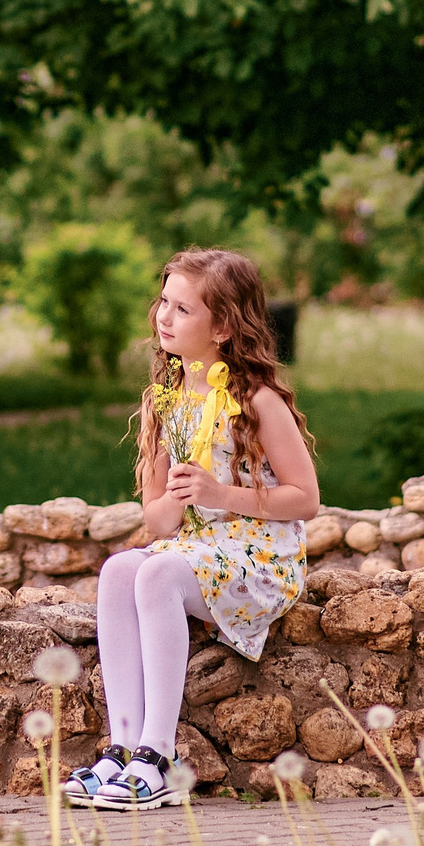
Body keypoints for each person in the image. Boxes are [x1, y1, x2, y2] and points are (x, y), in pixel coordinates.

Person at [66, 248, 319, 810]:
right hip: (196, 547)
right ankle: (123, 746)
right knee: (118, 570)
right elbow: (155, 518)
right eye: (164, 301)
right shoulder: (167, 401)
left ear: (224, 326)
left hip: (262, 556)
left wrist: (220, 494)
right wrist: (177, 504)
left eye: (183, 308)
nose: (164, 316)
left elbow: (307, 499)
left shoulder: (256, 401)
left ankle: (160, 756)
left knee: (155, 574)